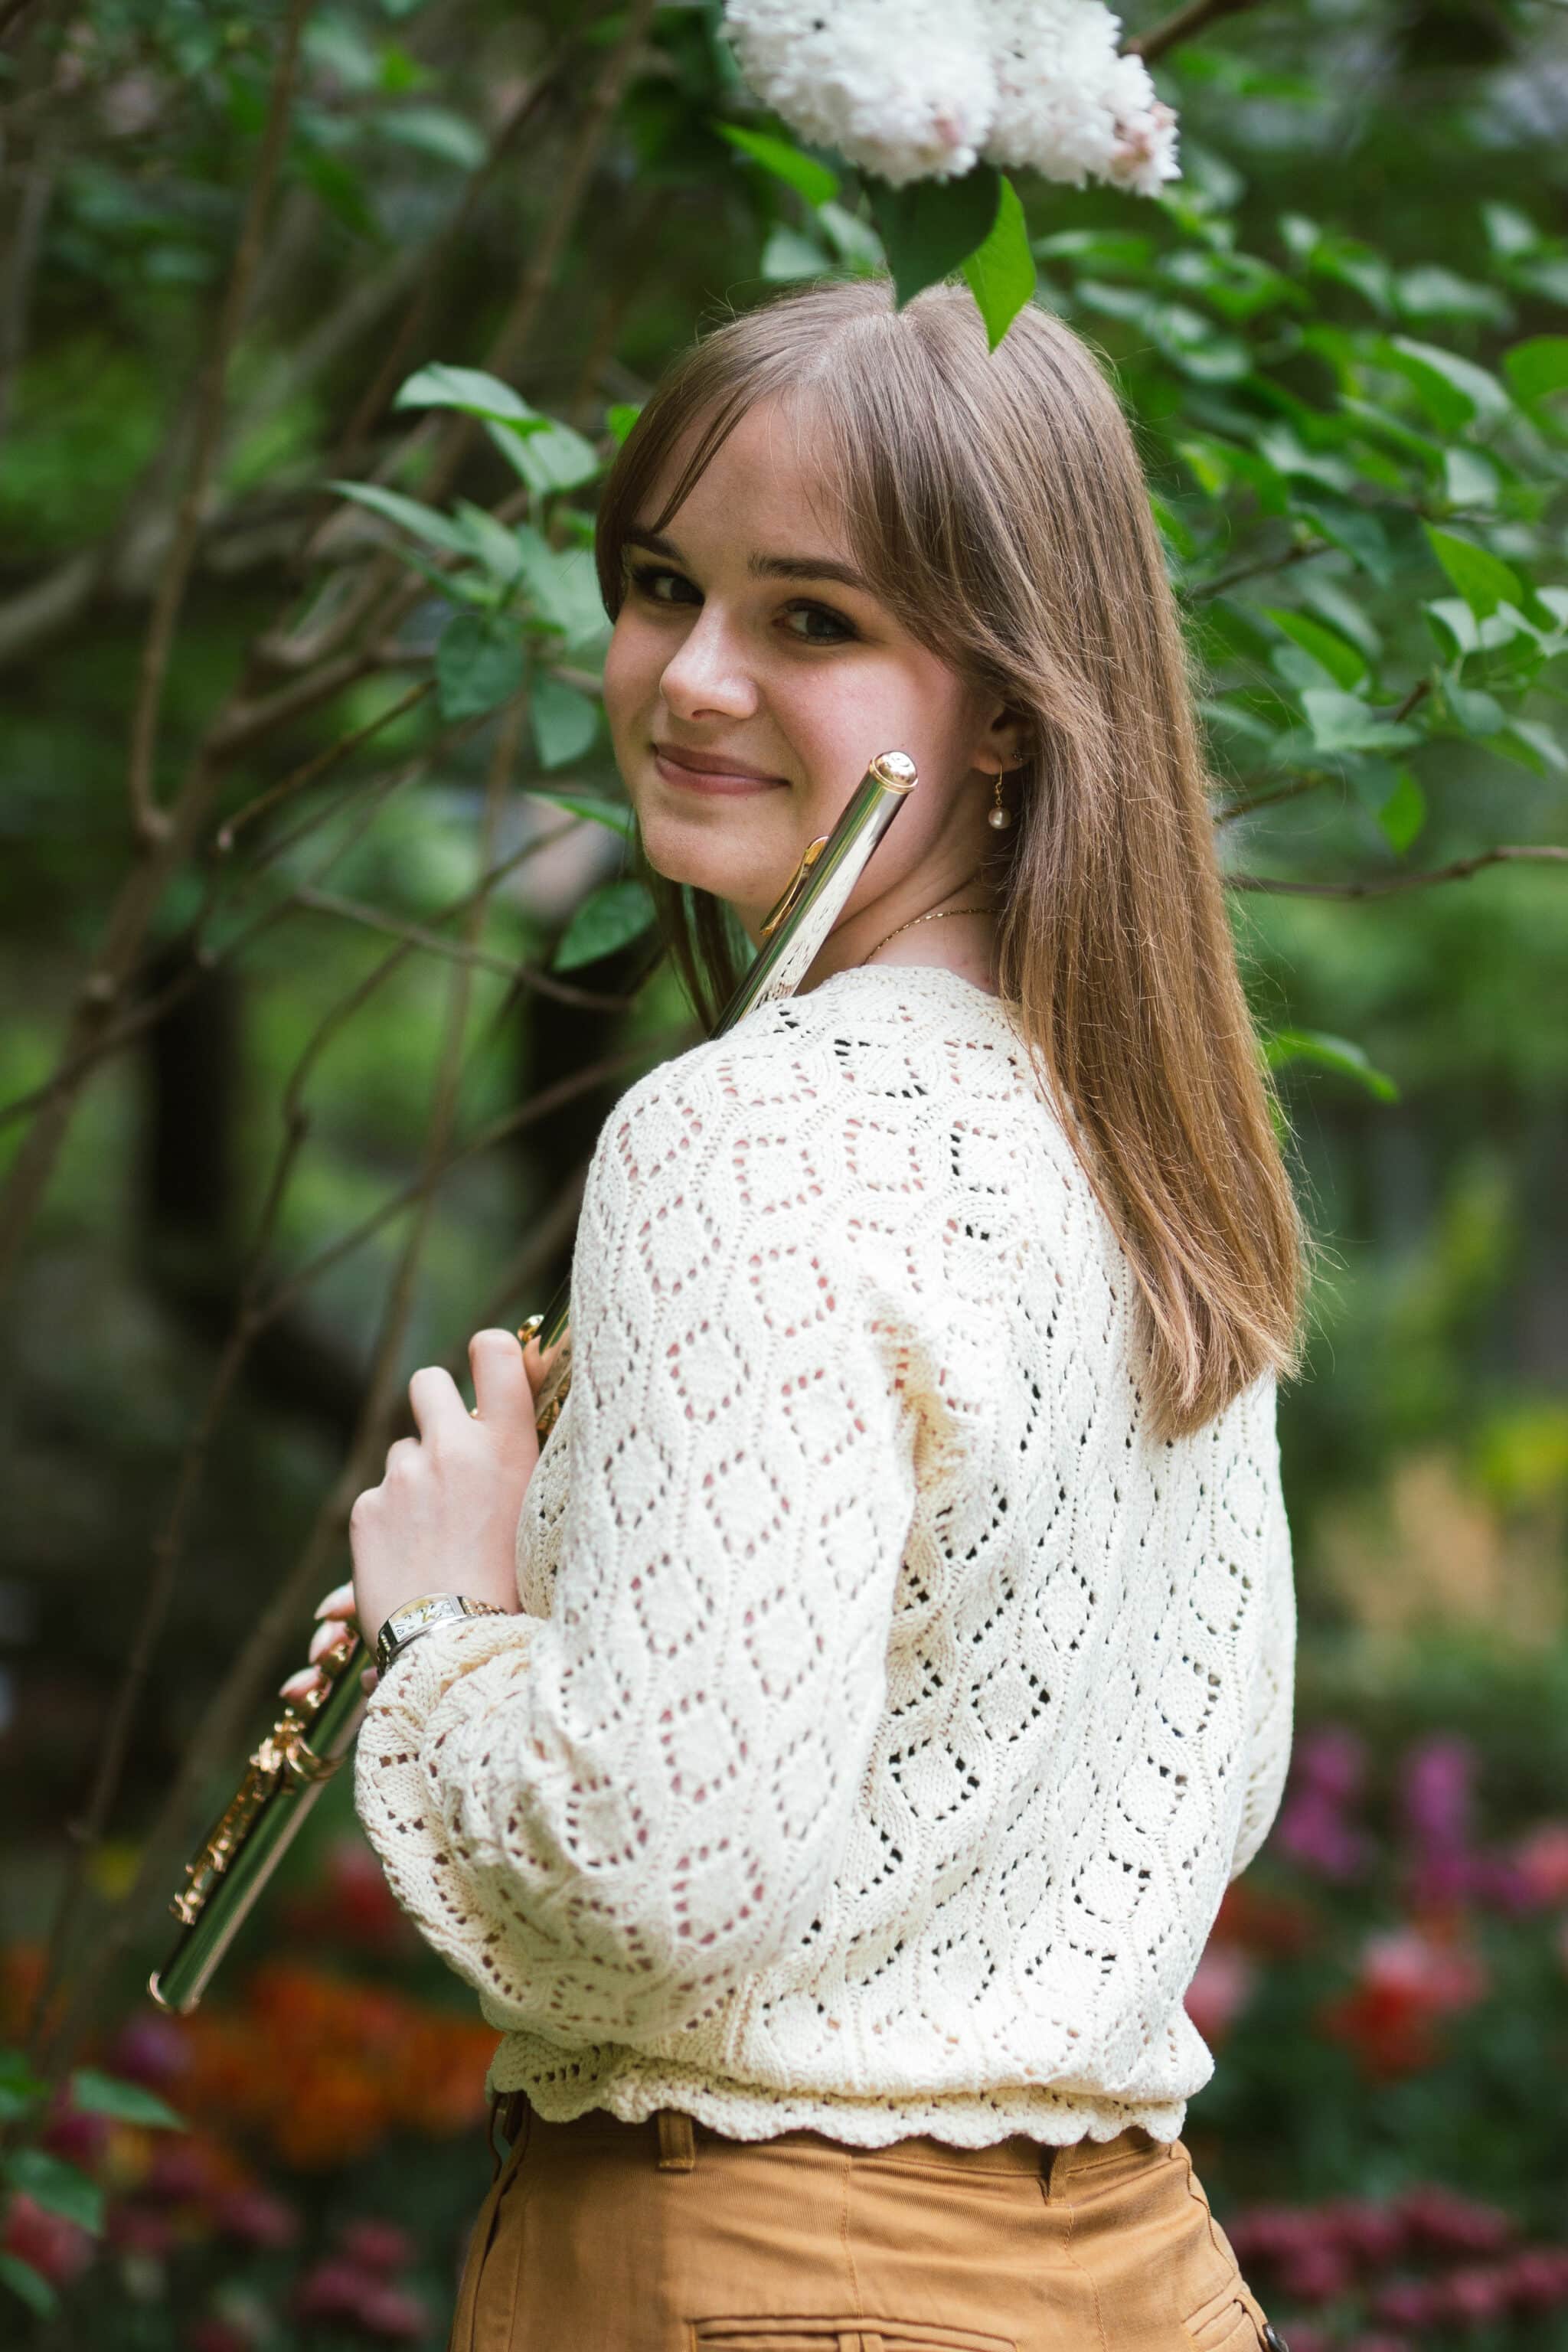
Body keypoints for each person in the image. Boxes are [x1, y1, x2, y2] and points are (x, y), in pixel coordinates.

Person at [297, 276, 1303, 2352]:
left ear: (1012, 703)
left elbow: (662, 1883)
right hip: (1137, 2278)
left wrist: (450, 1634)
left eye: (813, 621)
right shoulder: (1138, 1140)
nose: (690, 677)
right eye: (662, 585)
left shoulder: (751, 1135)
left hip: (771, 2274)